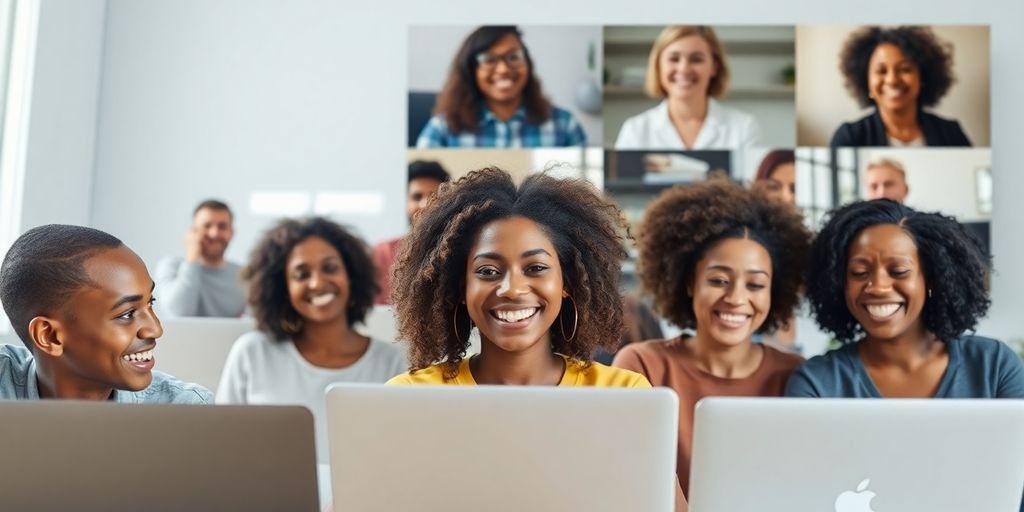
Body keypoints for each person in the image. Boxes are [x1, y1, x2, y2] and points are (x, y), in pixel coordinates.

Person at [385, 167, 684, 510]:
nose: (512, 289)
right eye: (487, 272)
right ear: (459, 289)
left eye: (536, 268)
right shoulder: (409, 398)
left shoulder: (624, 395)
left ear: (567, 282)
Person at [612, 179, 811, 499]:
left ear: (774, 292)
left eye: (755, 285)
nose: (735, 298)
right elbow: (623, 478)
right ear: (690, 282)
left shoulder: (796, 375)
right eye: (718, 280)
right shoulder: (642, 366)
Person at [786, 199, 1023, 399]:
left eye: (898, 271)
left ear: (931, 279)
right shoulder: (817, 383)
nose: (878, 287)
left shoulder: (993, 365)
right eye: (859, 273)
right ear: (839, 283)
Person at [216, 217, 407, 462]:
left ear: (351, 276)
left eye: (330, 268)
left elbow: (401, 456)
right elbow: (224, 450)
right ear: (282, 287)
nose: (317, 283)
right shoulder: (252, 353)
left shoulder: (392, 363)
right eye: (302, 274)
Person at [0, 224, 212, 403]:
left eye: (151, 302)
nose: (155, 329)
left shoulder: (187, 412)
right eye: (127, 314)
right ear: (50, 336)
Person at [415, 26, 586, 148]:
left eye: (513, 57)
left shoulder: (565, 125)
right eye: (489, 60)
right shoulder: (442, 129)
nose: (503, 69)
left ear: (527, 63)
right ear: (471, 69)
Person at [615, 25, 761, 150]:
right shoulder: (635, 130)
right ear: (658, 66)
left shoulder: (744, 127)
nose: (684, 69)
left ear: (714, 67)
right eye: (674, 59)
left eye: (696, 59)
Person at [830, 26, 971, 147]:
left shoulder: (951, 133)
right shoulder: (849, 137)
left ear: (922, 77)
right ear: (865, 81)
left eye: (904, 69)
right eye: (881, 71)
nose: (892, 80)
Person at [373, 160, 450, 304]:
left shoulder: (460, 251)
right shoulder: (382, 253)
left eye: (434, 196)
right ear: (404, 201)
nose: (425, 204)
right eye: (417, 197)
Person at [155, 199, 245, 317]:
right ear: (193, 231)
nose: (214, 233)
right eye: (207, 226)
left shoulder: (245, 275)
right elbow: (180, 313)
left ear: (231, 233)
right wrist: (192, 258)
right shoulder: (171, 266)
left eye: (222, 227)